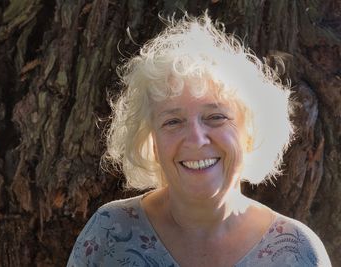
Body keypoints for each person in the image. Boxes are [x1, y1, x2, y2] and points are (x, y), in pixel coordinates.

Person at [66, 13, 331, 267]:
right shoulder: (109, 234)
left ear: (249, 132)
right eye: (173, 121)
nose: (196, 139)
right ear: (152, 143)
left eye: (215, 116)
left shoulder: (297, 252)